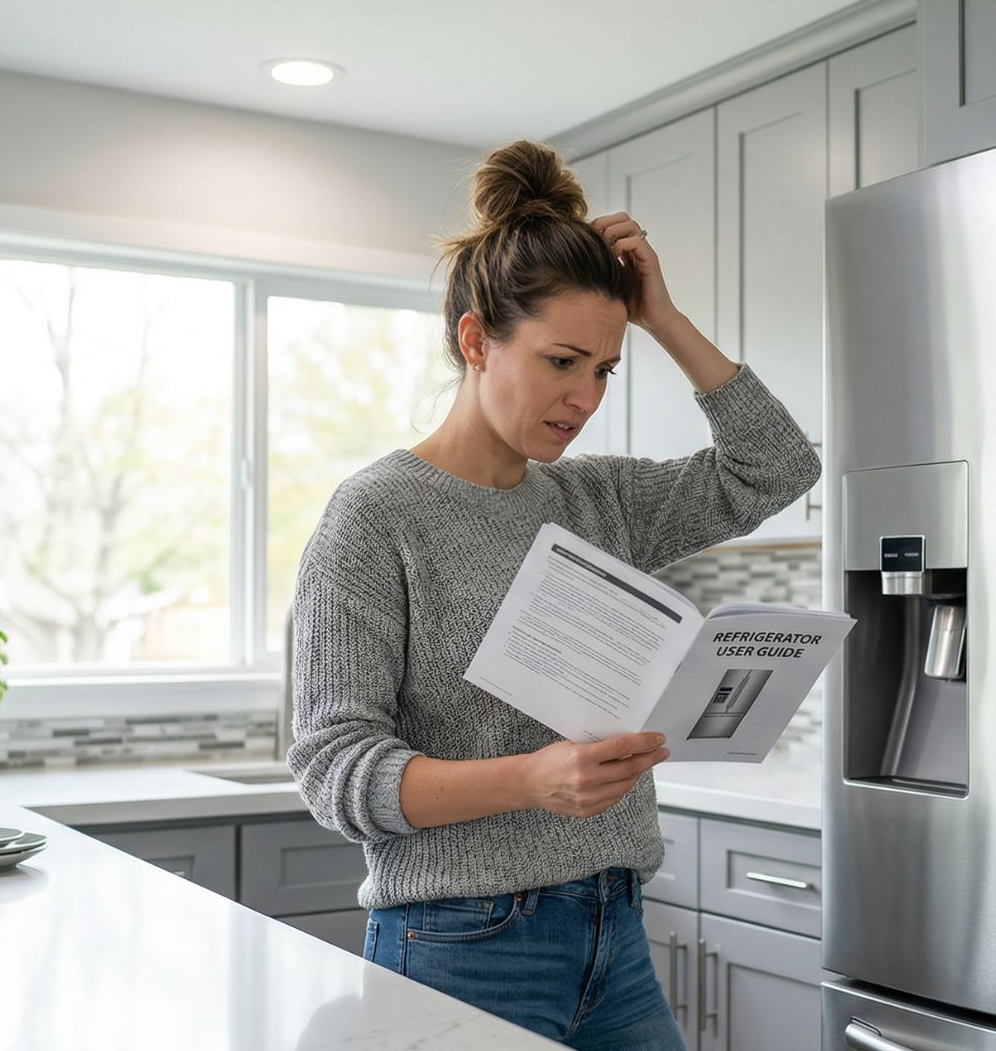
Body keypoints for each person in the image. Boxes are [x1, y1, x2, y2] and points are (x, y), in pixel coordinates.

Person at [285, 138, 820, 1049]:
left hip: (615, 936)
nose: (585, 396)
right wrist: (532, 780)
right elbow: (334, 771)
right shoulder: (376, 516)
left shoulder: (598, 498)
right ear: (475, 341)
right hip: (458, 944)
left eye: (605, 369)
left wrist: (663, 317)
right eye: (562, 360)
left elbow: (776, 466)